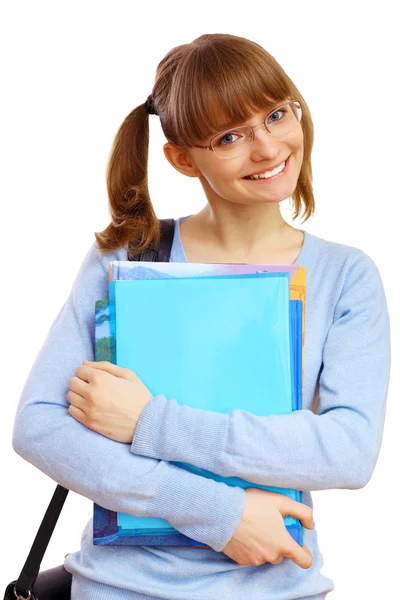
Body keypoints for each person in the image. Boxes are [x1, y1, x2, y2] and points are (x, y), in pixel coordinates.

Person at [12, 33, 391, 600]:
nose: (267, 148)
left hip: (276, 587)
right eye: (230, 136)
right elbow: (40, 426)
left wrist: (149, 423)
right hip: (118, 588)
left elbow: (349, 449)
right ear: (182, 158)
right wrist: (219, 511)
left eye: (277, 114)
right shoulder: (127, 257)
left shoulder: (346, 277)